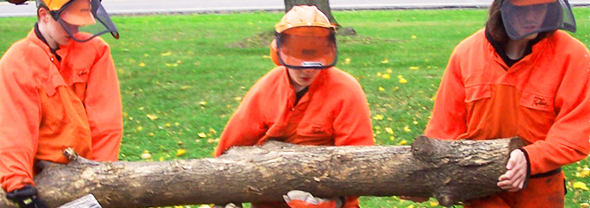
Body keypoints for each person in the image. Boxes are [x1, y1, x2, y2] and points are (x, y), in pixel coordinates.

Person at [406, 0, 590, 207]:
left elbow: (574, 134)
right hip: (479, 188)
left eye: (538, 8)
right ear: (503, 8)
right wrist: (425, 176)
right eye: (522, 9)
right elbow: (444, 128)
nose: (531, 17)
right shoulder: (467, 53)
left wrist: (531, 159)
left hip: (539, 188)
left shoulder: (571, 56)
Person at [213, 5, 374, 208]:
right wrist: (222, 196)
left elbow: (361, 161)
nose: (305, 71)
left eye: (313, 61)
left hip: (330, 197)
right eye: (297, 60)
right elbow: (231, 145)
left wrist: (334, 201)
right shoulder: (267, 89)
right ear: (280, 52)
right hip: (271, 197)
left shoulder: (346, 91)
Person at [0, 0, 122, 207]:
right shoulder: (18, 62)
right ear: (44, 15)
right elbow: (14, 129)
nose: (76, 28)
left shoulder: (96, 52)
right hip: (43, 177)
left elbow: (106, 123)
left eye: (79, 22)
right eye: (69, 23)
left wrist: (100, 175)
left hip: (88, 172)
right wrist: (19, 184)